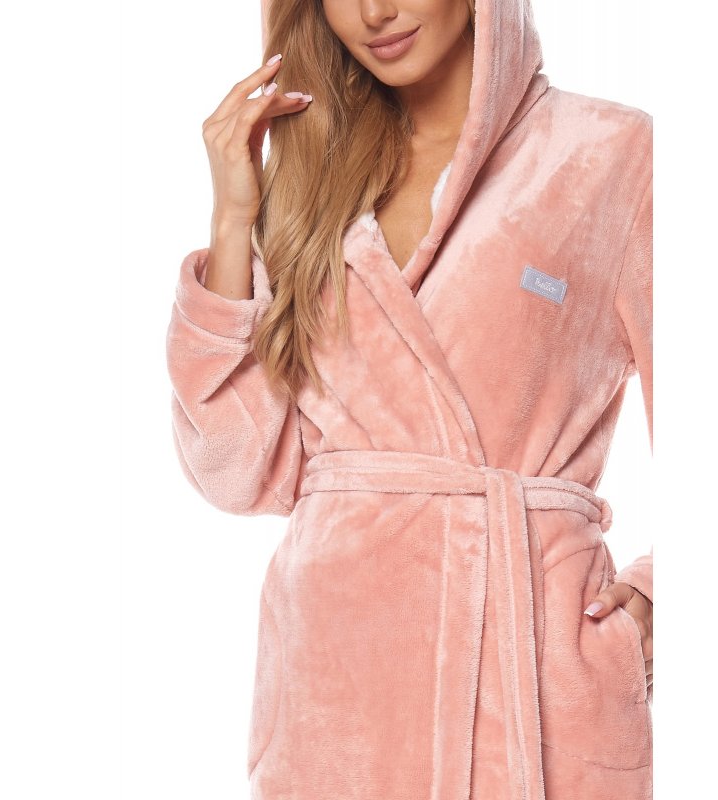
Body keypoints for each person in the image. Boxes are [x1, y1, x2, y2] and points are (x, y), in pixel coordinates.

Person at [165, 0, 653, 797]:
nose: (374, 12)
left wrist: (661, 592)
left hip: (531, 676)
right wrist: (233, 219)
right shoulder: (313, 182)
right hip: (334, 698)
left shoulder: (612, 155)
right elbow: (237, 474)